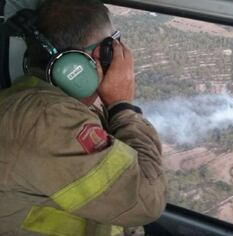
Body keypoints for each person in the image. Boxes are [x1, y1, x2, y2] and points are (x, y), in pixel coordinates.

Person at [0, 0, 167, 235]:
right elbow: (146, 201)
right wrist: (122, 107)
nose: (118, 60)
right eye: (111, 48)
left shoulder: (51, 106)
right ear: (78, 64)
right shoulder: (46, 120)